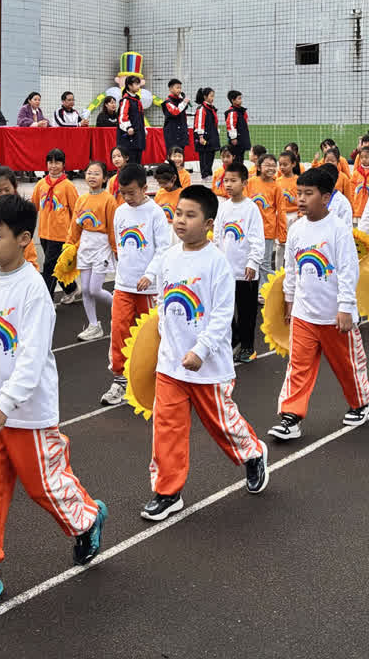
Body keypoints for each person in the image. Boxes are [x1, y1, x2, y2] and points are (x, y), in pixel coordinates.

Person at [0, 194, 107, 613]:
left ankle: (86, 518)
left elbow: (32, 356)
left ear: (23, 238)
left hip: (26, 413)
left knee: (44, 487)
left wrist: (7, 402)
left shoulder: (34, 289)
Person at [139, 185, 268, 521]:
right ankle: (167, 492)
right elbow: (165, 306)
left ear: (208, 223)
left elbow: (223, 316)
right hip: (170, 366)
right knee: (166, 430)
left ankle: (253, 454)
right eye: (178, 213)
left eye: (190, 215)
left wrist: (200, 350)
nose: (180, 220)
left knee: (223, 425)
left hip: (207, 367)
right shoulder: (169, 257)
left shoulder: (217, 264)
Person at [270, 165, 369, 441]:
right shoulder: (297, 230)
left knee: (347, 365)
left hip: (334, 315)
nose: (301, 199)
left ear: (326, 198)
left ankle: (360, 401)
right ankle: (290, 417)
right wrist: (289, 301)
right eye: (299, 193)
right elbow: (290, 269)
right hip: (305, 314)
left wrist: (345, 307)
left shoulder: (339, 230)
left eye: (308, 194)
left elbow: (349, 270)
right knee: (298, 365)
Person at [99, 164, 173, 407]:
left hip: (148, 289)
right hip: (123, 285)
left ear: (144, 188)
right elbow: (120, 246)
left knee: (151, 335)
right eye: (123, 193)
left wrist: (150, 275)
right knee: (119, 332)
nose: (127, 198)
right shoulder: (120, 212)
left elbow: (163, 249)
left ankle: (154, 379)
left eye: (132, 192)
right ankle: (119, 380)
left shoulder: (155, 214)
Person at [216, 163, 264, 365]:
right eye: (226, 180)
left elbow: (257, 238)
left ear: (244, 183)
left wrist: (253, 262)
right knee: (226, 310)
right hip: (226, 270)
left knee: (246, 312)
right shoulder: (223, 207)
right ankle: (234, 341)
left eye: (233, 180)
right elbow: (218, 236)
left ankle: (248, 347)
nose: (228, 184)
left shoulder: (251, 209)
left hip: (246, 271)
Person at [68, 161, 118, 343]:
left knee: (95, 289)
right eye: (89, 173)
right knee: (86, 290)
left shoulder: (109, 200)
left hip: (101, 246)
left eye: (96, 173)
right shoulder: (81, 200)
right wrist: (69, 246)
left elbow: (113, 227)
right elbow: (74, 226)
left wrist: (115, 249)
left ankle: (120, 310)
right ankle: (94, 325)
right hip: (85, 247)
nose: (92, 176)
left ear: (104, 178)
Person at [31, 149, 79, 303]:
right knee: (57, 267)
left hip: (62, 235)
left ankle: (47, 300)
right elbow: (33, 207)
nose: (53, 166)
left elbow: (76, 211)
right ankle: (71, 288)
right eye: (50, 162)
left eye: (57, 162)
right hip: (44, 233)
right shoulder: (41, 184)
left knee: (50, 267)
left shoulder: (68, 186)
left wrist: (75, 236)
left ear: (63, 165)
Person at [249, 153, 287, 285]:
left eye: (273, 166)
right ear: (258, 167)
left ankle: (266, 291)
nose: (271, 168)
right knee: (252, 261)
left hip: (268, 230)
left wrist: (282, 233)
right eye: (267, 165)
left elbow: (281, 211)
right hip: (250, 230)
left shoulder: (276, 187)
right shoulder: (251, 182)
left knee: (265, 263)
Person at [116, 75, 147, 165]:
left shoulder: (137, 100)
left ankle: (136, 178)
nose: (138, 86)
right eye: (136, 84)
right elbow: (122, 117)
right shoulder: (126, 100)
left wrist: (143, 129)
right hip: (129, 137)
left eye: (139, 84)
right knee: (130, 162)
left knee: (138, 161)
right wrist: (128, 127)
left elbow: (140, 117)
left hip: (138, 136)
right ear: (129, 86)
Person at [191, 88, 219, 180]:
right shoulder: (202, 108)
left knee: (211, 154)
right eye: (211, 96)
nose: (213, 98)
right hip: (204, 136)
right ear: (205, 97)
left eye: (213, 96)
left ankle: (209, 173)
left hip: (211, 135)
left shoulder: (211, 108)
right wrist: (201, 136)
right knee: (204, 156)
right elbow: (199, 123)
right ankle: (205, 174)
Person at [349, 145, 369, 219]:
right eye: (361, 157)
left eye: (366, 157)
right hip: (357, 208)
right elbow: (351, 189)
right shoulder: (357, 173)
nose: (363, 159)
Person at [161, 80, 190, 156]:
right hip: (172, 134)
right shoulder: (168, 102)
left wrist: (183, 101)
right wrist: (183, 103)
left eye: (180, 88)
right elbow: (175, 112)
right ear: (170, 89)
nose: (179, 90)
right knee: (172, 155)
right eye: (177, 88)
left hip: (181, 134)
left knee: (181, 156)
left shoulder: (180, 101)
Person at [224, 90, 250, 164]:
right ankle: (235, 172)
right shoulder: (232, 112)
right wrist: (233, 138)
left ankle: (239, 172)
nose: (241, 100)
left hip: (242, 138)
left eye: (241, 98)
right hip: (236, 139)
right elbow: (231, 125)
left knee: (241, 157)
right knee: (235, 157)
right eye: (239, 98)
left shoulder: (241, 111)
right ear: (233, 100)